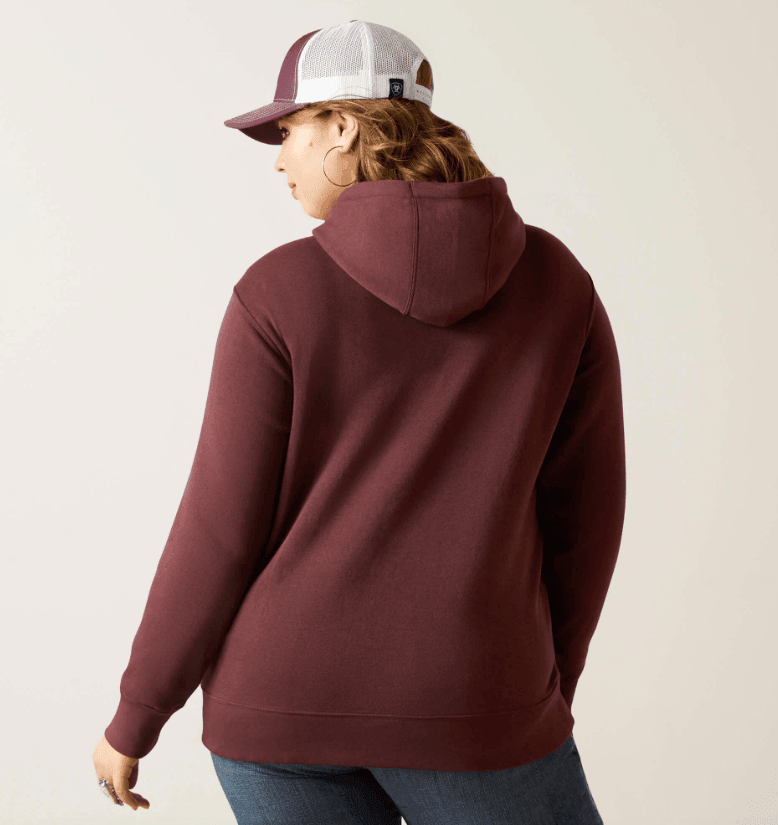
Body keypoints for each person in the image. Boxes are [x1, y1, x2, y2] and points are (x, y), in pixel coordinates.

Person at [93, 19, 625, 824]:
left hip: (279, 708)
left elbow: (220, 528)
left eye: (288, 131)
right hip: (479, 699)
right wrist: (535, 687)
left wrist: (137, 713)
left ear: (342, 126)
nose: (278, 159)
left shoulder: (276, 292)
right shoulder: (558, 283)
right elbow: (586, 520)